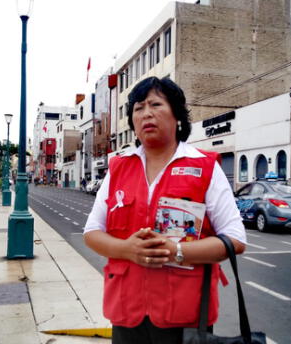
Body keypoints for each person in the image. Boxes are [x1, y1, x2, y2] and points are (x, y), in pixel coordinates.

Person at [83, 77, 246, 344]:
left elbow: (236, 240)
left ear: (177, 116)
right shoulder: (119, 168)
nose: (146, 113)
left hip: (187, 315)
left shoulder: (204, 167)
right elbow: (92, 232)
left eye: (156, 104)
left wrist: (176, 251)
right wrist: (127, 250)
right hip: (126, 311)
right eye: (138, 108)